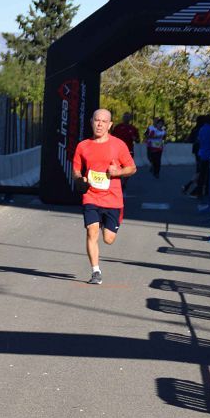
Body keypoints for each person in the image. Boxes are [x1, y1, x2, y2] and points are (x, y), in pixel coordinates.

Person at [72, 108, 136, 285]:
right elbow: (76, 169)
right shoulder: (82, 146)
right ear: (91, 122)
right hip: (91, 196)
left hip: (113, 199)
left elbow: (132, 168)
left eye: (103, 121)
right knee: (92, 232)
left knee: (108, 239)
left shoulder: (118, 145)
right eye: (96, 120)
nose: (99, 124)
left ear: (110, 125)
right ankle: (95, 271)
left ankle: (109, 223)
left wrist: (119, 172)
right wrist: (79, 179)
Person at [192, 115, 210, 197]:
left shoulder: (202, 129)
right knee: (209, 175)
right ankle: (207, 192)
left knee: (202, 174)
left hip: (202, 154)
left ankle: (199, 191)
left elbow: (199, 139)